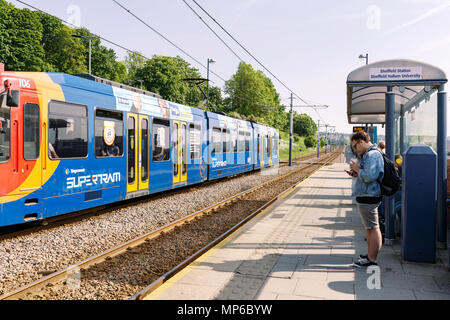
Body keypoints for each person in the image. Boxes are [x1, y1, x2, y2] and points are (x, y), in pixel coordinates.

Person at [347, 131, 384, 267]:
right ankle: (370, 254)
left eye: (355, 146)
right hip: (367, 195)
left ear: (361, 142)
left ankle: (372, 260)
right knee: (370, 228)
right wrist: (356, 172)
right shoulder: (370, 154)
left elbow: (369, 176)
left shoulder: (372, 155)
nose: (355, 150)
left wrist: (357, 169)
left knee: (373, 228)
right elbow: (367, 175)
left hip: (369, 196)